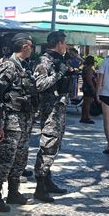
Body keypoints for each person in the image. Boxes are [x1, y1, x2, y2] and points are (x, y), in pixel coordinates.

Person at [0, 33, 38, 210]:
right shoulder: (9, 66)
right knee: (5, 159)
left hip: (24, 120)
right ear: (25, 46)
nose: (32, 50)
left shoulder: (25, 66)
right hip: (11, 121)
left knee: (20, 158)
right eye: (31, 46)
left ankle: (13, 192)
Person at [32, 30, 73, 202]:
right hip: (49, 109)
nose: (66, 46)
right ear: (59, 43)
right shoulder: (44, 61)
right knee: (48, 144)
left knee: (55, 145)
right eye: (64, 43)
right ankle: (40, 185)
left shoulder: (59, 60)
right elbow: (39, 84)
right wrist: (59, 74)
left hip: (58, 108)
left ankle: (47, 179)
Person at [80, 55, 97, 124]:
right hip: (88, 87)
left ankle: (83, 116)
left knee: (85, 102)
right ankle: (87, 117)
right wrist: (93, 88)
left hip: (85, 86)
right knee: (88, 103)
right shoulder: (89, 69)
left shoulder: (85, 68)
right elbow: (89, 79)